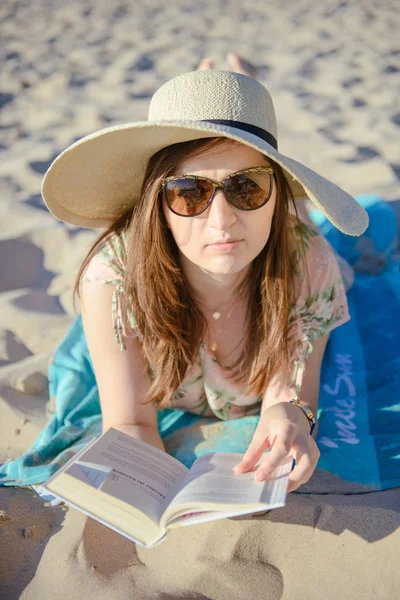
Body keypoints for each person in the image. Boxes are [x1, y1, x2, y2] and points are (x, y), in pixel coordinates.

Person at [41, 52, 368, 493]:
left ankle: (235, 101)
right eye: (189, 193)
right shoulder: (112, 279)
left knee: (318, 247)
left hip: (286, 241)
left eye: (248, 187)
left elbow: (288, 400)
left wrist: (291, 414)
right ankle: (225, 97)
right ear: (156, 205)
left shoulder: (310, 263)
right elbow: (130, 422)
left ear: (277, 192)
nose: (221, 221)